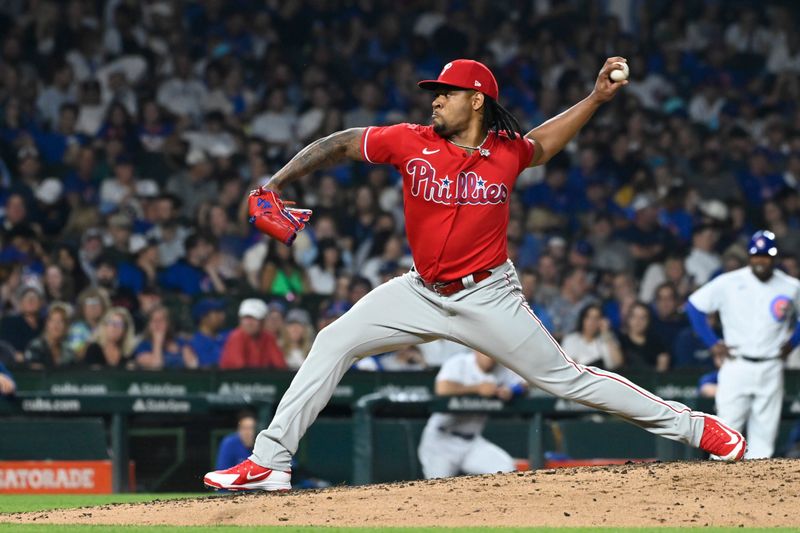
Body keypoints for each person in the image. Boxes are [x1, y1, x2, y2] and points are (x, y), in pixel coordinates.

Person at [205, 57, 745, 492]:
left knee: (569, 380)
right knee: (332, 342)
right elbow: (341, 142)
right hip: (418, 290)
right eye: (434, 91)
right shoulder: (410, 140)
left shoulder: (506, 152)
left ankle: (700, 428)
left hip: (488, 295)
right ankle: (270, 463)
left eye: (446, 91)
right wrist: (273, 182)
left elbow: (547, 144)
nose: (435, 98)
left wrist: (597, 99)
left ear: (477, 99)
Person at [686, 230, 799, 459]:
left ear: (774, 258)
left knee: (764, 438)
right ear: (749, 256)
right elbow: (694, 306)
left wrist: (793, 342)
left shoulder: (790, 286)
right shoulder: (729, 281)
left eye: (766, 255)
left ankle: (755, 493)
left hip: (771, 365)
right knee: (725, 432)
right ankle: (716, 489)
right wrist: (712, 343)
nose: (760, 260)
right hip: (737, 364)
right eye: (756, 255)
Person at [417, 350, 526, 479]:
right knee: (436, 488)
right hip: (442, 441)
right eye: (487, 353)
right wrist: (477, 388)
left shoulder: (500, 369)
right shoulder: (460, 362)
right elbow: (442, 388)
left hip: (472, 443)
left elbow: (524, 384)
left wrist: (511, 390)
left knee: (507, 468)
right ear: (476, 350)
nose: (491, 358)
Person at [219, 299, 286, 370]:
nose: (249, 323)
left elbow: (280, 365)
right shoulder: (236, 337)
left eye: (254, 318)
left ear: (263, 321)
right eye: (246, 318)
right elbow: (239, 369)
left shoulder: (268, 338)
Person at [134, 305, 198, 370]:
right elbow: (156, 366)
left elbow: (193, 365)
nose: (157, 323)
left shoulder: (181, 342)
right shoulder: (143, 346)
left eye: (161, 320)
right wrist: (158, 342)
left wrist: (186, 352)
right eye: (154, 320)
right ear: (149, 325)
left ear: (168, 323)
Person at [560, 304, 623, 370]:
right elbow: (567, 367)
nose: (592, 322)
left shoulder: (607, 338)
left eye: (596, 318)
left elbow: (618, 363)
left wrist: (605, 332)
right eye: (588, 317)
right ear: (582, 319)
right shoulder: (571, 339)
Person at [618, 301, 670, 372]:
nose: (638, 321)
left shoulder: (656, 343)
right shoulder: (620, 341)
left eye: (643, 318)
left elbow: (662, 368)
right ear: (628, 319)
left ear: (649, 320)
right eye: (634, 316)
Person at [24, 302, 77, 369]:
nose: (56, 325)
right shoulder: (35, 347)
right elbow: (35, 373)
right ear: (47, 324)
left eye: (61, 321)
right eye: (52, 320)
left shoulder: (68, 350)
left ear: (66, 327)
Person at [189, 298, 229, 368]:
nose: (223, 316)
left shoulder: (228, 335)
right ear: (203, 317)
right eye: (217, 312)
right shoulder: (195, 343)